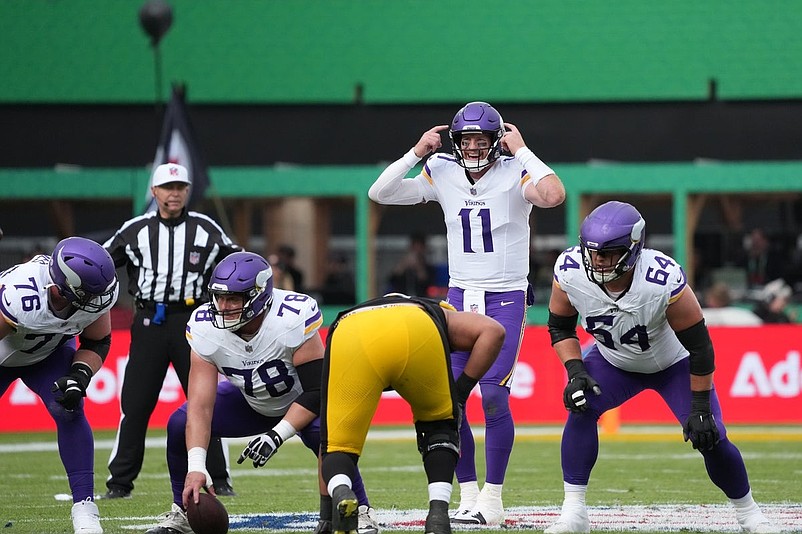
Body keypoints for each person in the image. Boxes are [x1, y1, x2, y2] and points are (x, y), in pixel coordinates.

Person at [368, 101, 566, 525]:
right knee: (449, 397)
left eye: (481, 139)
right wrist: (415, 153)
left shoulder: (515, 170)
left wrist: (523, 150)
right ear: (456, 142)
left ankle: (492, 501)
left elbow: (553, 195)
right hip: (459, 296)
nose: (473, 146)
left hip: (505, 295)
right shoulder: (441, 170)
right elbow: (379, 193)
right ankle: (469, 495)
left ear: (496, 140)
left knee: (492, 394)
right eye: (467, 139)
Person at [544, 201, 782, 534]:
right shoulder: (570, 270)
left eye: (609, 253)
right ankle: (574, 512)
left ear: (632, 249)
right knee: (581, 405)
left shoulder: (660, 279)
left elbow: (700, 347)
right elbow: (560, 327)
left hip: (673, 364)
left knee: (710, 435)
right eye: (593, 252)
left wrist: (700, 406)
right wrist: (575, 371)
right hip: (614, 360)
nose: (598, 260)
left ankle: (749, 513)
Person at [145, 251, 379, 534]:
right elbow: (200, 406)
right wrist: (196, 466)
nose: (223, 306)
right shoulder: (205, 326)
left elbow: (317, 390)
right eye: (219, 297)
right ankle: (182, 511)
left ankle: (358, 511)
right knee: (179, 422)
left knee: (328, 437)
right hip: (251, 401)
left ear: (258, 296)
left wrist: (277, 435)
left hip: (302, 401)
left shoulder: (291, 317)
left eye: (233, 299)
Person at [101, 163, 239, 499]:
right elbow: (100, 262)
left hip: (193, 320)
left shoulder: (205, 228)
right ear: (154, 191)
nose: (174, 193)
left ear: (187, 190)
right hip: (149, 320)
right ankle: (119, 483)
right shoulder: (135, 229)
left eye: (179, 187)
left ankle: (219, 478)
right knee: (135, 404)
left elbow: (237, 264)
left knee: (204, 401)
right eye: (167, 187)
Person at [321, 293, 505, 534]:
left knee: (337, 446)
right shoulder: (440, 312)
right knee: (440, 428)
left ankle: (341, 491)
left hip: (350, 332)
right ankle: (438, 516)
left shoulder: (358, 314)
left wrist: (325, 518)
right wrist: (460, 393)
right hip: (417, 328)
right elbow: (494, 331)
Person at [0, 237, 119, 534]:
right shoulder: (20, 295)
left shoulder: (95, 292)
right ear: (61, 288)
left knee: (68, 407)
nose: (99, 301)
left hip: (47, 354)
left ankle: (85, 507)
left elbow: (97, 341)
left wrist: (79, 375)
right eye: (89, 294)